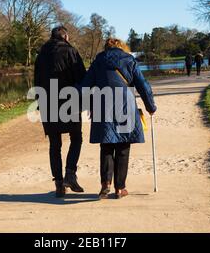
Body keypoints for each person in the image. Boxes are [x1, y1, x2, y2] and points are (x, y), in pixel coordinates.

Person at [79, 38, 157, 199]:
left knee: (106, 145)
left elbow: (85, 86)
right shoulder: (130, 60)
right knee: (123, 146)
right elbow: (143, 85)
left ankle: (105, 184)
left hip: (103, 105)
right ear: (122, 47)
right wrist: (150, 106)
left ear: (106, 48)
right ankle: (120, 188)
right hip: (125, 104)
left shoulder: (98, 61)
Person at [34, 26, 87, 198]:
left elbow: (36, 80)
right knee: (76, 138)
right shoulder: (70, 51)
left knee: (54, 145)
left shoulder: (41, 54)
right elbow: (82, 77)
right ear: (65, 36)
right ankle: (70, 173)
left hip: (47, 103)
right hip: (68, 102)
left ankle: (58, 183)